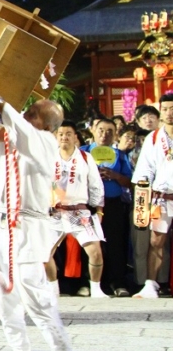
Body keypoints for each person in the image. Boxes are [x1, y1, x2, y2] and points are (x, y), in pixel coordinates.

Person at [0, 83, 79, 351]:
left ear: (47, 123)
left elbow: (22, 130)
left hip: (26, 225)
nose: (26, 114)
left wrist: (0, 99)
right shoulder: (7, 137)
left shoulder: (44, 142)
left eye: (33, 113)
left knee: (35, 292)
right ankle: (20, 349)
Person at [46, 121, 107, 298]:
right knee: (43, 253)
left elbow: (96, 186)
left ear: (75, 137)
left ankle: (96, 288)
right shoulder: (48, 158)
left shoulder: (86, 157)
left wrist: (99, 210)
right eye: (61, 134)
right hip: (55, 212)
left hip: (79, 212)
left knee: (94, 251)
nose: (64, 137)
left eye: (68, 134)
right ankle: (52, 287)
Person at [82, 117, 133, 296]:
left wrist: (115, 176)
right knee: (88, 243)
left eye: (110, 131)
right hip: (87, 205)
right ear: (93, 131)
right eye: (101, 130)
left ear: (116, 134)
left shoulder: (120, 155)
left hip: (113, 204)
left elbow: (130, 182)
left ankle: (117, 282)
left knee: (115, 244)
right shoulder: (82, 152)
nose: (105, 135)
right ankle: (87, 282)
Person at [130, 93, 173, 298]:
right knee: (156, 241)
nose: (169, 113)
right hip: (160, 198)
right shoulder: (153, 138)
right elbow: (143, 173)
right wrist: (142, 204)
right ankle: (150, 284)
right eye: (165, 109)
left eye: (172, 109)